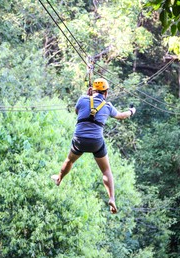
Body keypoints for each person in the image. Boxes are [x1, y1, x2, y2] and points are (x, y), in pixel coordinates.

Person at [51, 78, 136, 214]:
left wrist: (88, 97)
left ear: (93, 91)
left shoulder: (82, 99)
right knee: (106, 171)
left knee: (70, 160)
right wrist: (131, 111)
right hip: (96, 142)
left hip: (80, 139)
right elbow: (121, 115)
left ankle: (59, 178)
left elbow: (77, 112)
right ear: (106, 93)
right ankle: (112, 198)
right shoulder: (107, 106)